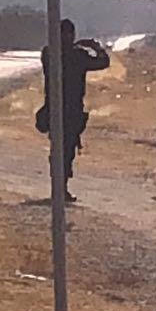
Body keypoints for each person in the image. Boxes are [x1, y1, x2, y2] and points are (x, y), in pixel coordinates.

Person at [39, 19, 110, 202]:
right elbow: (103, 62)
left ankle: (60, 189)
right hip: (63, 109)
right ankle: (60, 189)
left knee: (63, 150)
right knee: (63, 150)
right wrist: (95, 47)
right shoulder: (75, 55)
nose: (67, 37)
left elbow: (102, 64)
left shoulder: (50, 52)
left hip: (64, 109)